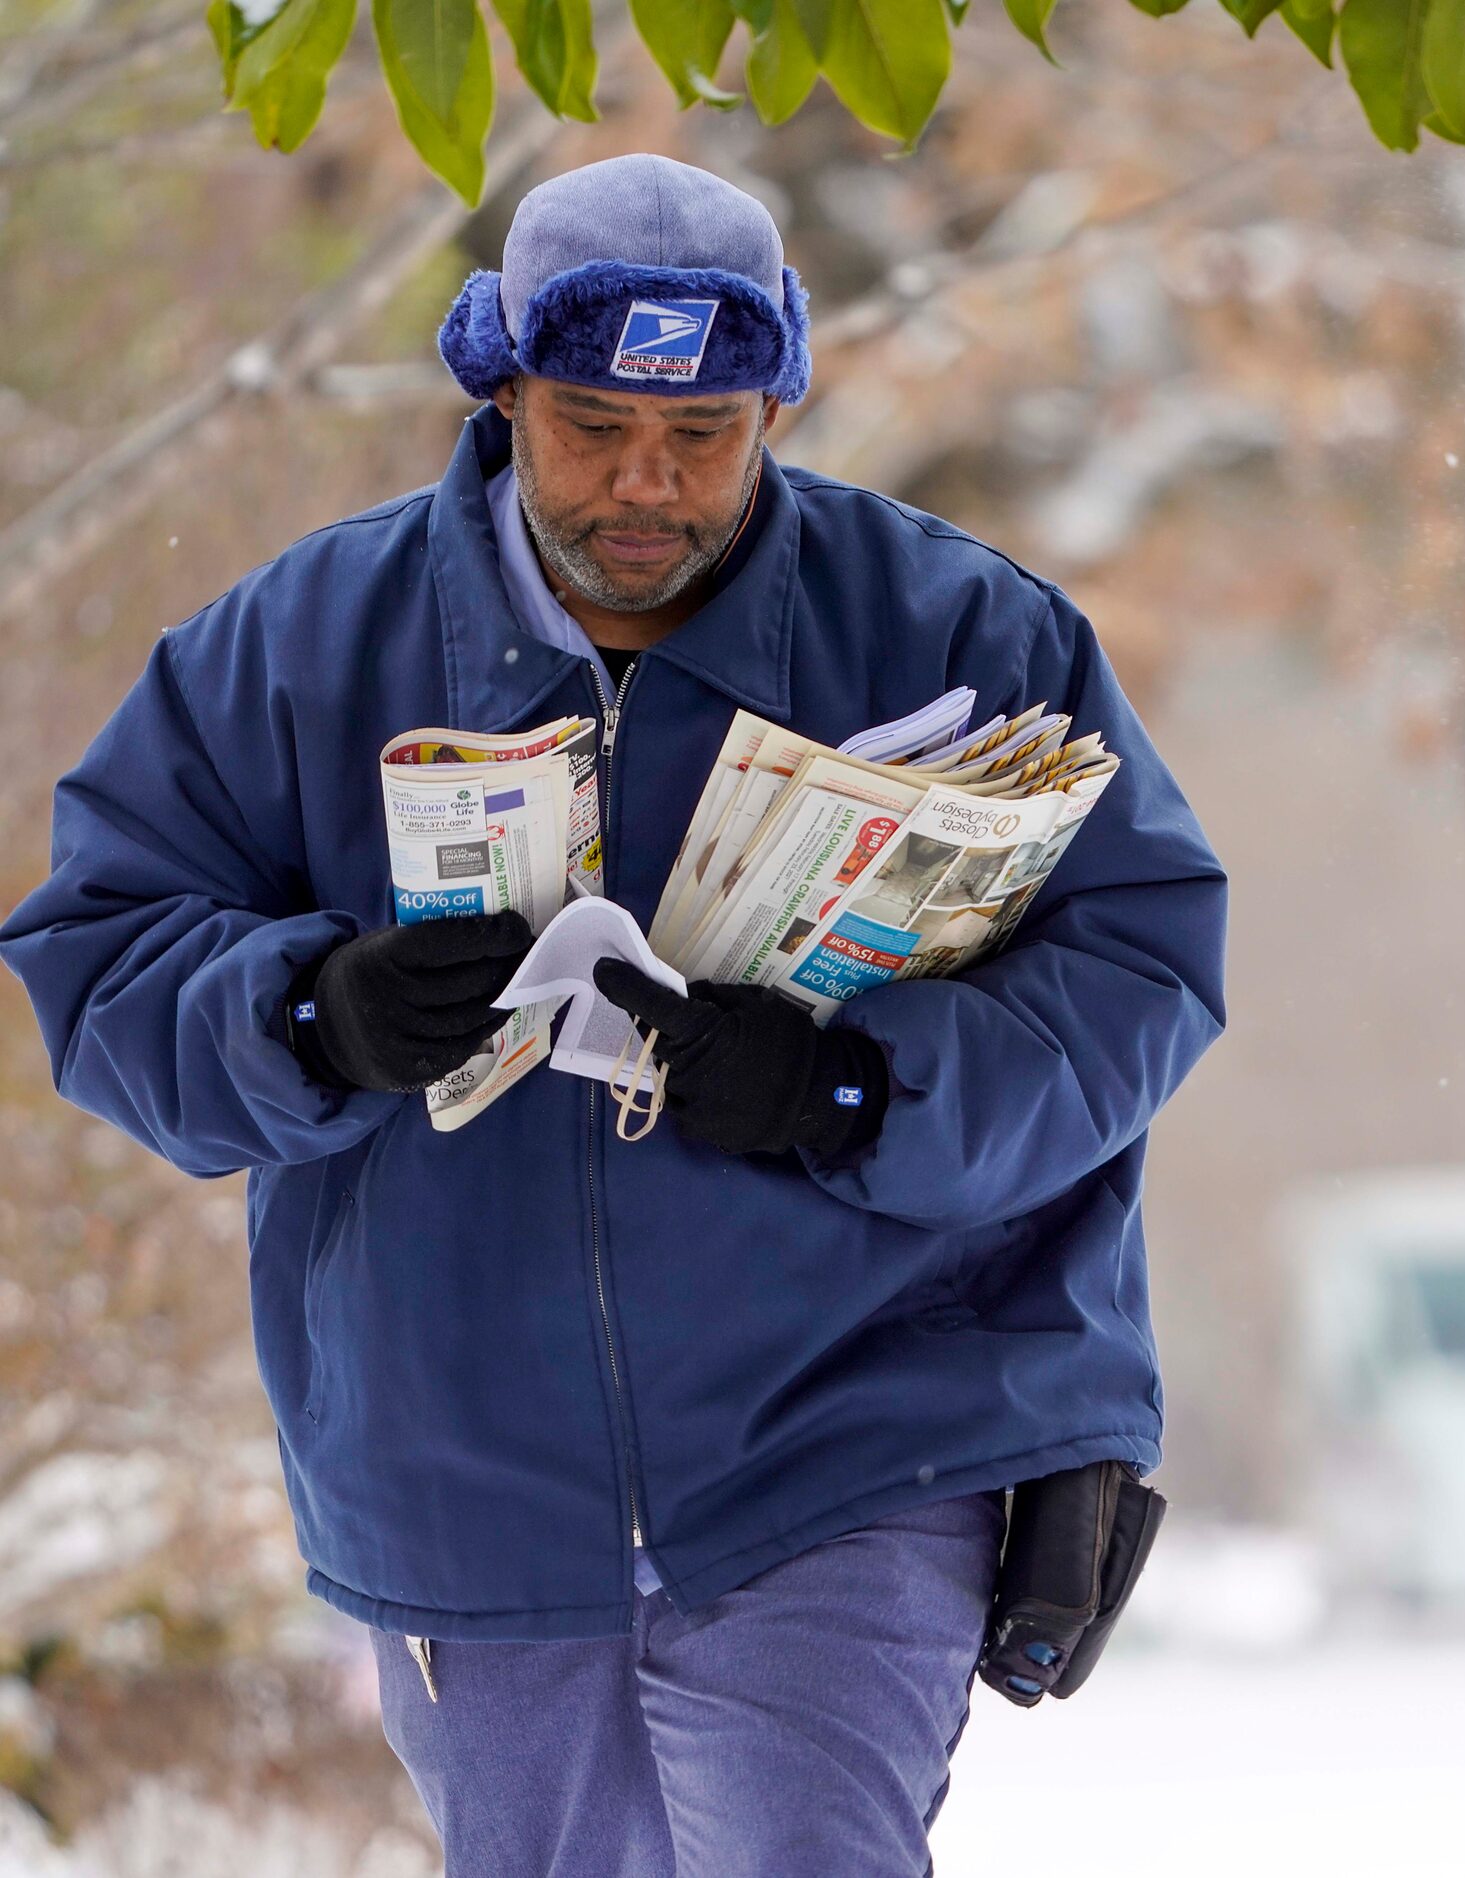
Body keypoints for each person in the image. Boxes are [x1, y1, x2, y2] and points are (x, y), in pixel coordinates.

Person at [0, 154, 1226, 1876]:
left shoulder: (958, 631)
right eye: (591, 426)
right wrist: (310, 1020)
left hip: (851, 1444)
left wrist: (850, 1088)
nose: (647, 484)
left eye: (704, 435)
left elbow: (1139, 975)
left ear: (775, 407)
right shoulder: (290, 650)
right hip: (457, 1472)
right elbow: (98, 954)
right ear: (499, 386)